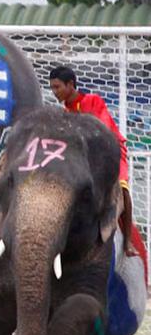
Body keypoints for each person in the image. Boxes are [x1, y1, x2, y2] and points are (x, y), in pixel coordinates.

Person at [49, 65, 136, 253]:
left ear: (70, 84)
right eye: (52, 88)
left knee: (122, 186)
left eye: (57, 87)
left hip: (111, 150)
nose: (54, 92)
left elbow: (102, 131)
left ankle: (128, 241)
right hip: (86, 157)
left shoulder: (92, 100)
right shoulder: (65, 112)